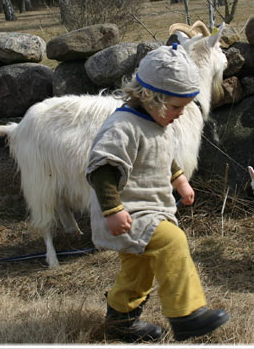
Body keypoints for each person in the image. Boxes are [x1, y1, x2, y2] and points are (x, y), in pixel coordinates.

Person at [86, 43, 229, 342]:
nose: (180, 114)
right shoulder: (122, 127)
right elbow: (103, 168)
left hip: (148, 210)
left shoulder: (155, 123)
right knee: (172, 241)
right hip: (129, 213)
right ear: (151, 97)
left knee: (138, 273)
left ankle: (119, 324)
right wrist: (113, 210)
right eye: (176, 107)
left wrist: (180, 181)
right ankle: (187, 315)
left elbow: (164, 156)